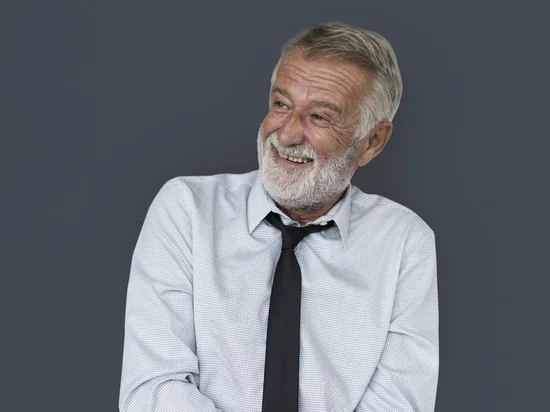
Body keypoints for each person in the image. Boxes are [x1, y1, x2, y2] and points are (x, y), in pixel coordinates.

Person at [119, 21, 439, 412]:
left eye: (319, 117)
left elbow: (399, 403)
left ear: (372, 141)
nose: (286, 134)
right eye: (281, 104)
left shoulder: (404, 242)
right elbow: (153, 389)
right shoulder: (186, 209)